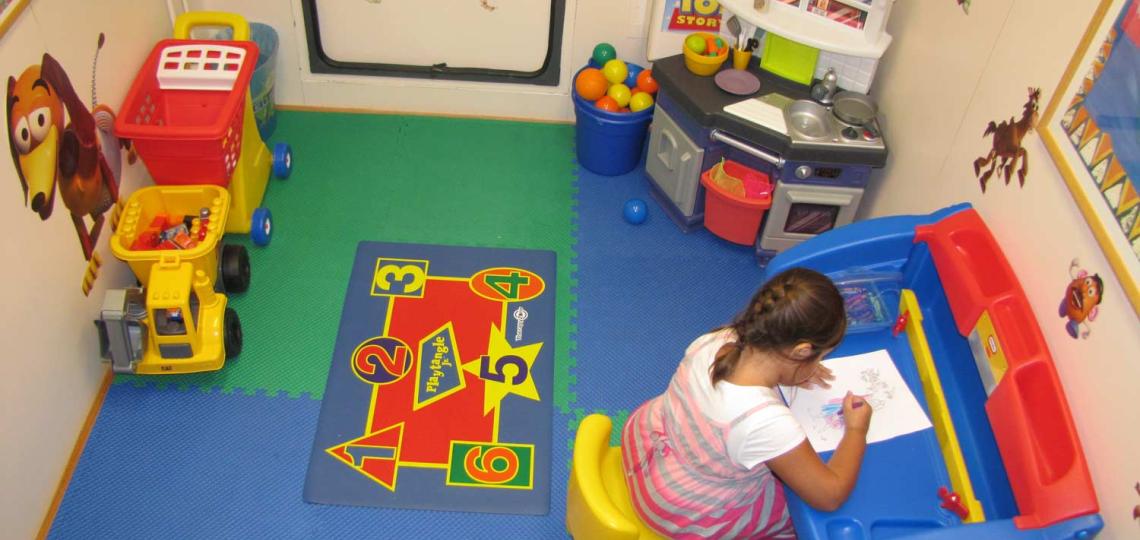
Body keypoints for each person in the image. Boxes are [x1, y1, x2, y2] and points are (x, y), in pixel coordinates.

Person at [621, 267, 872, 539]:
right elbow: (829, 496)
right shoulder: (764, 421)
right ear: (801, 351)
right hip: (680, 508)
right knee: (796, 514)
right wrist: (857, 430)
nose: (818, 364)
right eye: (819, 357)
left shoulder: (718, 339)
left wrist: (794, 371)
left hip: (648, 446)